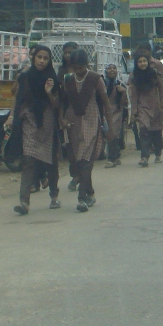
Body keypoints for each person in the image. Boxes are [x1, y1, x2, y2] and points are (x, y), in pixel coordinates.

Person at [10, 45, 62, 215]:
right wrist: (13, 117)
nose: (42, 61)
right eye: (39, 57)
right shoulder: (25, 77)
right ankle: (24, 202)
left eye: (45, 58)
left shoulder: (52, 79)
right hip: (29, 121)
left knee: (50, 161)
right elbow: (18, 99)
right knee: (28, 160)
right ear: (33, 58)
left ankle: (54, 195)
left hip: (47, 122)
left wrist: (48, 92)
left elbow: (56, 105)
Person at [61, 49, 111, 211]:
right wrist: (62, 119)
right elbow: (63, 102)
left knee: (85, 159)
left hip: (91, 120)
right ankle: (89, 193)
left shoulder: (95, 79)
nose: (78, 71)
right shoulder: (67, 80)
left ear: (87, 65)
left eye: (81, 67)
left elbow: (106, 103)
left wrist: (109, 127)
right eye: (75, 68)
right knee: (78, 159)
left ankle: (81, 198)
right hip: (73, 123)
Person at [129, 52, 163, 166]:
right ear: (136, 64)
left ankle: (158, 153)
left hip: (155, 107)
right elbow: (134, 95)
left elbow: (161, 90)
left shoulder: (154, 74)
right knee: (144, 130)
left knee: (156, 132)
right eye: (140, 62)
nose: (142, 64)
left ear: (148, 62)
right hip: (142, 107)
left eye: (144, 61)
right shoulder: (134, 77)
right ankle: (144, 157)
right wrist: (134, 112)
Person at [102, 64, 127, 167]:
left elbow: (123, 103)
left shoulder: (120, 84)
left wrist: (124, 93)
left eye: (114, 68)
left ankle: (111, 159)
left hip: (116, 112)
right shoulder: (102, 84)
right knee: (109, 134)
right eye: (109, 68)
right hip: (104, 112)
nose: (112, 70)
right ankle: (116, 155)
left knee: (112, 133)